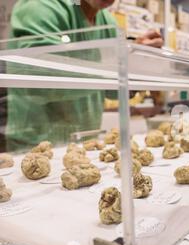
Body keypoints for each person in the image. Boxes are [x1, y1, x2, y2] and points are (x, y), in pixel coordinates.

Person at [6, 0, 163, 152]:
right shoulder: (40, 6)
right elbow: (44, 81)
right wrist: (124, 59)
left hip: (86, 144)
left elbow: (112, 90)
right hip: (36, 146)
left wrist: (138, 60)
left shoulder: (107, 22)